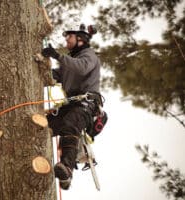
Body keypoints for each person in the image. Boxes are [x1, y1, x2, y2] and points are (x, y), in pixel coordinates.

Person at [42, 24, 105, 190]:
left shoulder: (89, 56)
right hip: (70, 105)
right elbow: (55, 76)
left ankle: (67, 169)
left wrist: (57, 55)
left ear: (80, 39)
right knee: (43, 125)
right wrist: (41, 69)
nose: (66, 40)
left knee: (70, 123)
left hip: (86, 105)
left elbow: (81, 67)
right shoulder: (68, 62)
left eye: (69, 36)